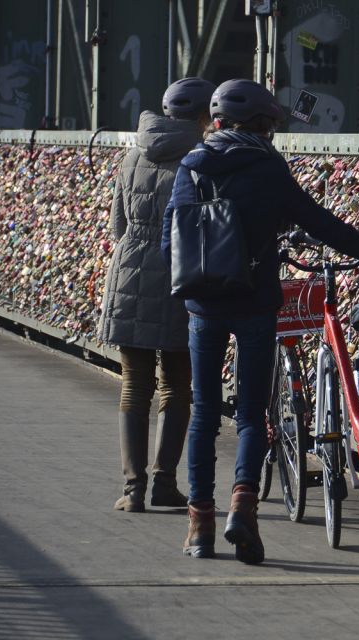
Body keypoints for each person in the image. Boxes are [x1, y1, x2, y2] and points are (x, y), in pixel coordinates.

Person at [162, 79, 359, 564]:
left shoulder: (192, 166)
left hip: (203, 307)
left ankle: (200, 527)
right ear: (263, 125)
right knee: (251, 413)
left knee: (202, 412)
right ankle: (244, 505)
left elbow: (169, 242)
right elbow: (325, 226)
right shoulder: (268, 169)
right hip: (257, 303)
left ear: (217, 122)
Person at [100, 77, 217, 512]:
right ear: (206, 114)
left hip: (129, 274)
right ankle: (164, 484)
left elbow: (118, 226)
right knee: (176, 387)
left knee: (134, 387)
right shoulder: (203, 157)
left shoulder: (134, 154)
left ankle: (132, 491)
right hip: (181, 275)